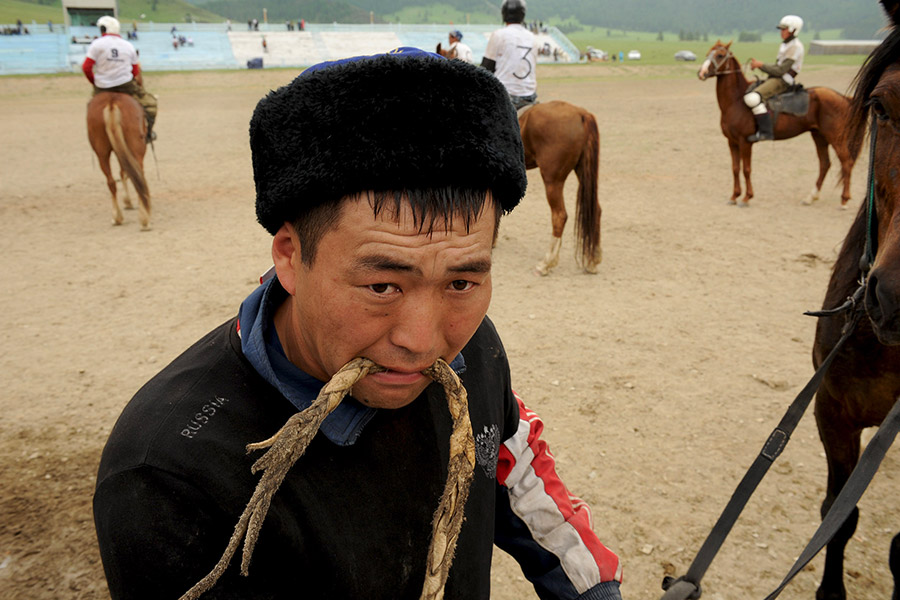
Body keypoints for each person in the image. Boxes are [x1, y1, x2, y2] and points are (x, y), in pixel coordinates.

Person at [92, 48, 623, 600]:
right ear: (291, 256)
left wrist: (593, 590)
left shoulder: (472, 349)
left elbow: (513, 466)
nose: (422, 343)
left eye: (461, 283)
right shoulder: (168, 478)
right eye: (382, 286)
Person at [82, 16, 158, 143]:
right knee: (150, 104)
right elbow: (135, 71)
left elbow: (86, 67)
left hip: (102, 87)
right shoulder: (128, 46)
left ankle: (94, 137)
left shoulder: (97, 44)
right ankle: (149, 133)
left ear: (103, 29)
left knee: (91, 106)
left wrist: (95, 82)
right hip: (126, 85)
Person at [744, 15, 805, 142]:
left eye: (784, 29)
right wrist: (761, 65)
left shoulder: (795, 47)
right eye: (781, 29)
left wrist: (761, 65)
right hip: (777, 78)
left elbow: (780, 71)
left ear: (794, 30)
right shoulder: (786, 45)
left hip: (782, 81)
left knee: (752, 98)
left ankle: (766, 132)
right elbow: (778, 67)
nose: (781, 32)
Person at [481, 0, 539, 109]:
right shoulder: (532, 37)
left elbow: (486, 69)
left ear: (504, 14)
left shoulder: (498, 35)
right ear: (523, 15)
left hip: (505, 96)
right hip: (530, 96)